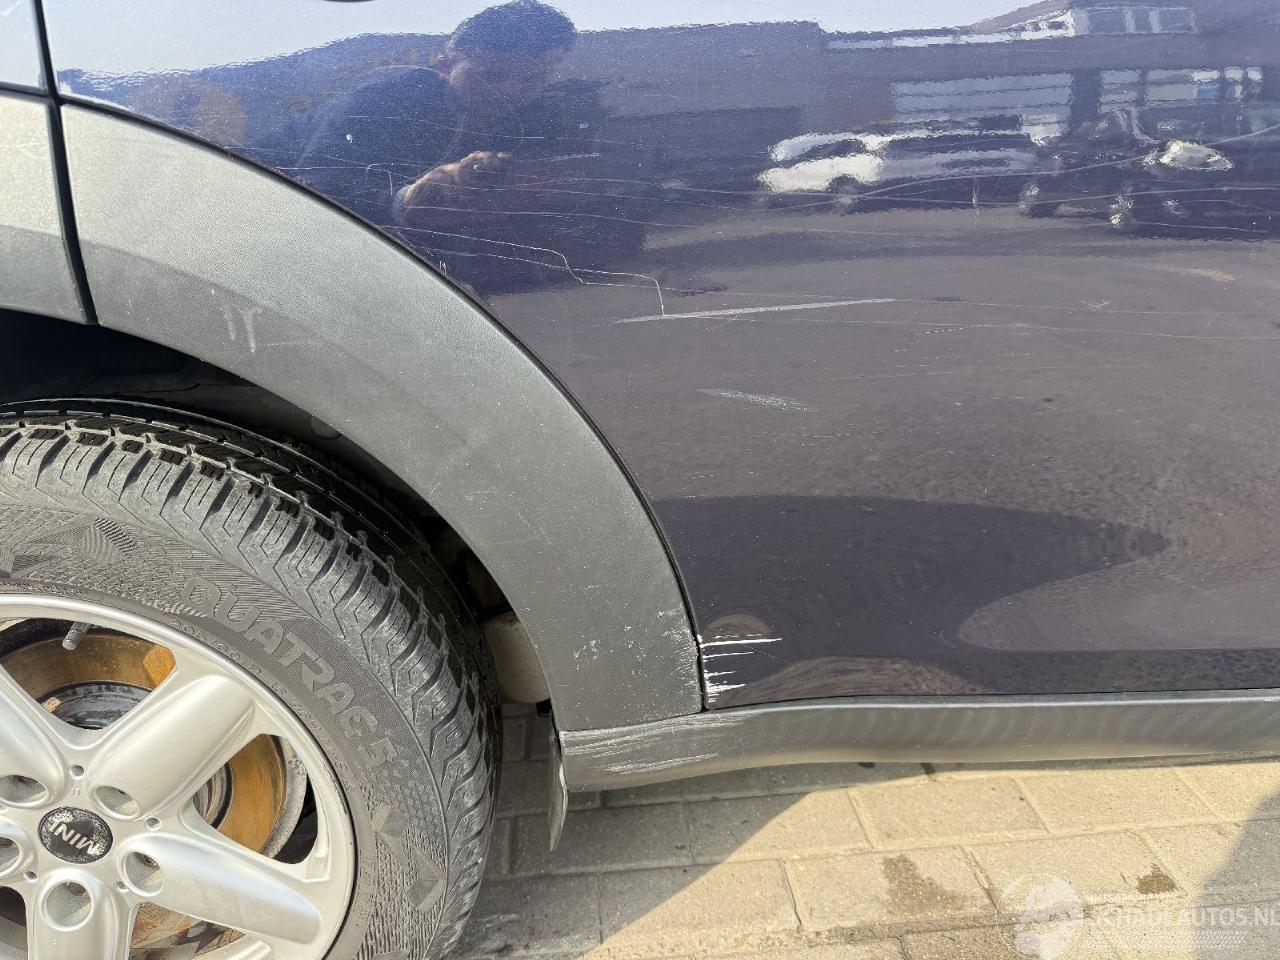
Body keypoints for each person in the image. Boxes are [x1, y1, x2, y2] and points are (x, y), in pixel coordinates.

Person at [255, 1, 583, 233]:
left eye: (533, 79)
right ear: (445, 66)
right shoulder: (381, 103)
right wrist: (405, 202)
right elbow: (312, 187)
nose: (511, 91)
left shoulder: (545, 118)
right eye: (491, 75)